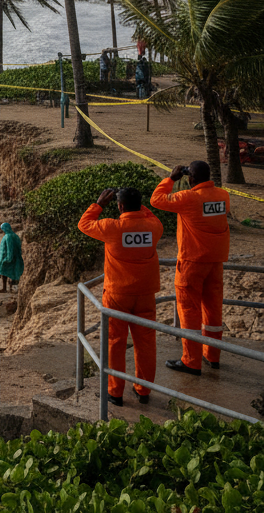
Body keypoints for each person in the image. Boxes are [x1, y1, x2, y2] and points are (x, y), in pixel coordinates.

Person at [78, 186, 164, 406]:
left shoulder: (112, 227)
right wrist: (135, 205)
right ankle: (143, 390)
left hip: (117, 293)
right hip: (145, 293)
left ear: (120, 206)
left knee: (115, 342)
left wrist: (99, 203)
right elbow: (149, 214)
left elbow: (84, 224)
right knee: (145, 342)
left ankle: (115, 392)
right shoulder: (153, 227)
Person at [151, 161, 231, 376]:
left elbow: (156, 200)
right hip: (215, 262)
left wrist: (171, 178)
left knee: (189, 311)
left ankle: (191, 361)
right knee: (213, 310)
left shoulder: (187, 198)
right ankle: (212, 356)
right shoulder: (223, 195)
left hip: (192, 261)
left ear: (191, 177)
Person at [0, 222, 24, 292]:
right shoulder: (15, 235)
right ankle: (11, 288)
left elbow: (10, 248)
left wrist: (8, 258)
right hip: (16, 257)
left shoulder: (8, 236)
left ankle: (4, 288)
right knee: (12, 272)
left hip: (7, 257)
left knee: (3, 272)